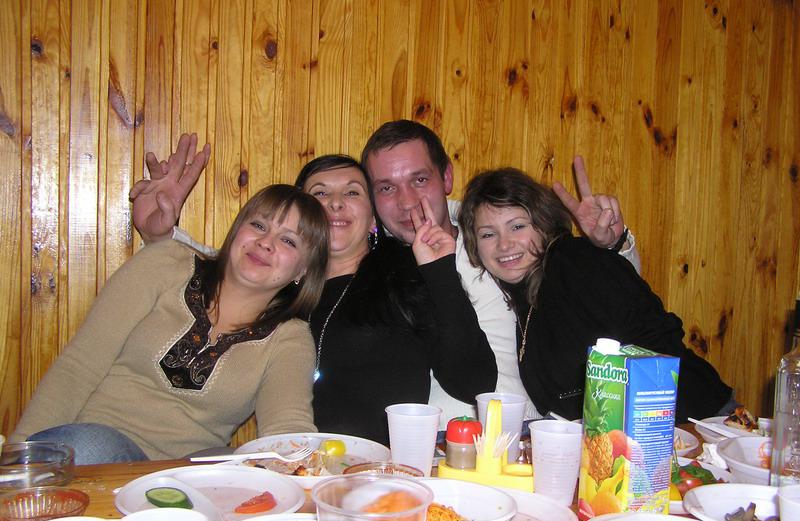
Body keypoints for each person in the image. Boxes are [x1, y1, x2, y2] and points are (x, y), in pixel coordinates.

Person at [134, 145, 497, 443]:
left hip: (381, 475)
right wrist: (160, 236)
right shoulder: (271, 286)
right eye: (320, 193)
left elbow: (474, 383)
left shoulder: (405, 276)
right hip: (292, 467)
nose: (335, 203)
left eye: (352, 192)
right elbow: (212, 275)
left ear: (373, 218)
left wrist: (439, 272)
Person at [11, 175, 330, 464]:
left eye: (288, 241)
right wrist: (17, 460)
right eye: (259, 225)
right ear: (237, 230)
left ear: (302, 271)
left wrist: (303, 474)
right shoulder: (166, 264)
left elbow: (286, 428)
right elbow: (77, 367)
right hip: (97, 452)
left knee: (233, 462)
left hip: (182, 480)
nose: (266, 242)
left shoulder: (290, 338)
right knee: (89, 445)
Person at [359, 120, 640, 424]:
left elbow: (607, 300)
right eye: (387, 188)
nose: (406, 202)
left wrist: (612, 246)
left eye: (420, 180)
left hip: (529, 429)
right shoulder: (370, 268)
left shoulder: (492, 238)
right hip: (431, 436)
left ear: (446, 177)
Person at [457, 165, 734, 422]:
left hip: (697, 424)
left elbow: (658, 334)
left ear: (543, 224)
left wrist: (612, 246)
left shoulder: (572, 260)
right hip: (629, 441)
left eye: (517, 226)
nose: (504, 244)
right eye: (488, 234)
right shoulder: (523, 300)